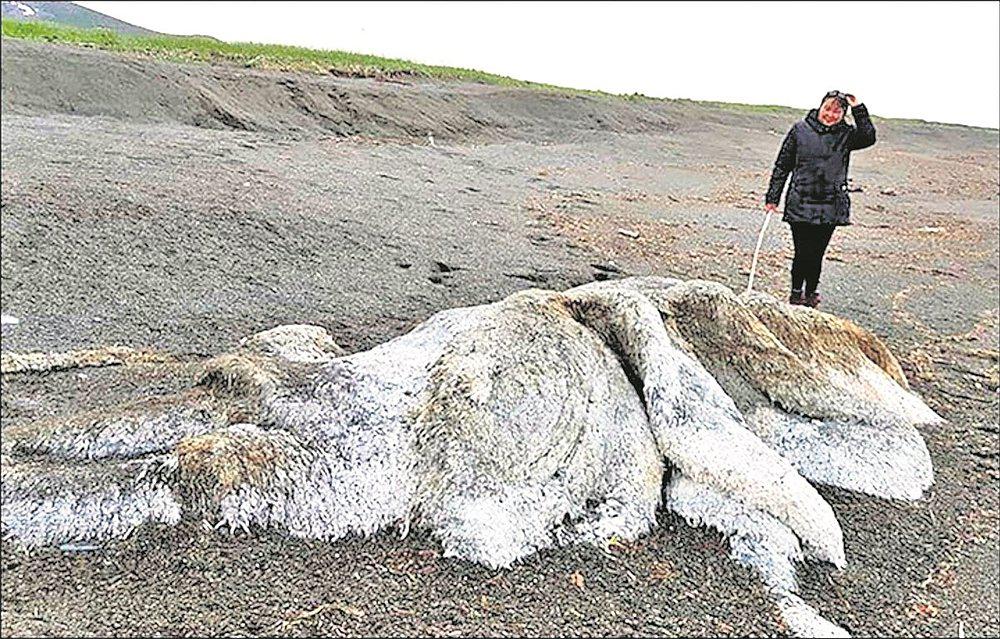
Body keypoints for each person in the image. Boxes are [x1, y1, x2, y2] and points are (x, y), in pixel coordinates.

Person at [764, 90, 877, 308]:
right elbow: (782, 165)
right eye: (828, 109)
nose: (831, 114)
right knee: (801, 252)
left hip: (831, 203)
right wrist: (773, 197)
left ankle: (811, 293)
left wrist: (858, 107)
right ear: (819, 107)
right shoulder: (799, 130)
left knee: (817, 253)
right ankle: (796, 293)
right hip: (801, 200)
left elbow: (869, 136)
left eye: (837, 111)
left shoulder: (846, 134)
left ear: (843, 114)